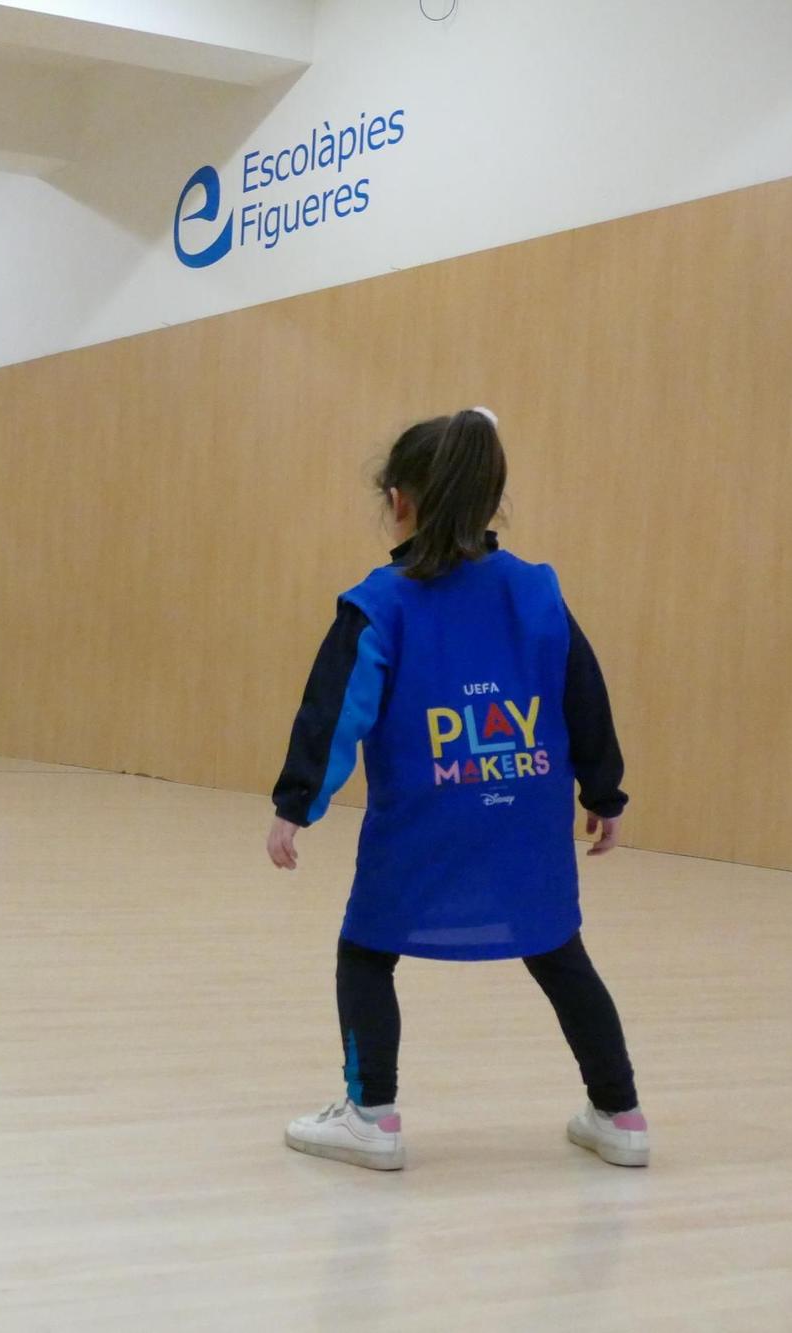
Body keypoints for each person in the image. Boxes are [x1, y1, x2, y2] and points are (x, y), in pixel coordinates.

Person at [268, 407, 646, 1172]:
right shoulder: (538, 592)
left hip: (422, 829)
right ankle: (622, 1113)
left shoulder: (379, 602)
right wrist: (604, 794)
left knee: (365, 953)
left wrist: (295, 804)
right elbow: (585, 698)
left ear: (399, 500)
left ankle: (371, 1113)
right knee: (559, 953)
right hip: (523, 825)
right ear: (490, 498)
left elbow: (336, 708)